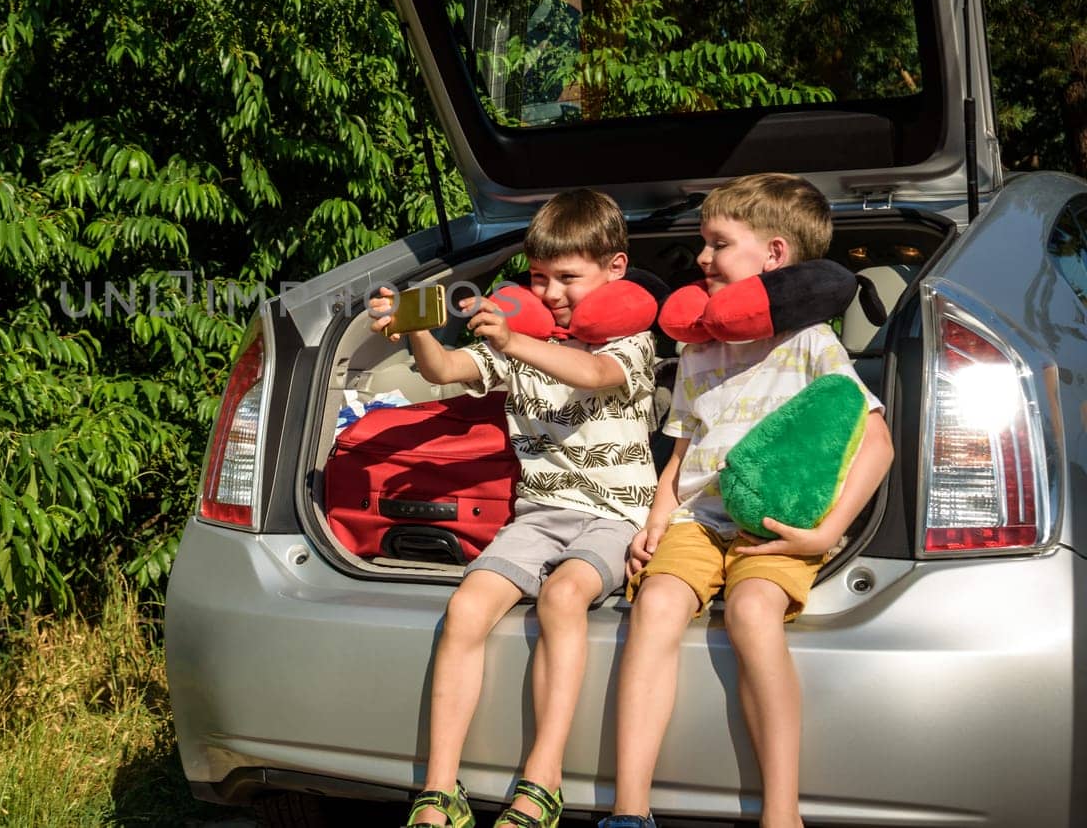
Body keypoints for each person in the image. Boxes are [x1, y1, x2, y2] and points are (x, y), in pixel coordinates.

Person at [597, 173, 894, 828]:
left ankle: (780, 812)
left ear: (775, 255)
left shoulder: (812, 344)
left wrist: (823, 535)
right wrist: (654, 522)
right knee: (655, 608)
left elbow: (876, 442)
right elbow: (679, 452)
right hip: (697, 521)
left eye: (718, 243)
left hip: (776, 525)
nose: (701, 258)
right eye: (703, 244)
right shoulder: (698, 349)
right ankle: (629, 807)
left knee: (754, 614)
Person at [370, 188, 658, 828]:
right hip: (538, 516)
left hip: (616, 517)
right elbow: (443, 367)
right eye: (538, 278)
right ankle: (440, 790)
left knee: (562, 598)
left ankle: (541, 780)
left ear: (615, 269)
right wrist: (415, 329)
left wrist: (512, 339)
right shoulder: (514, 343)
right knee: (467, 605)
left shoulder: (633, 342)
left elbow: (591, 376)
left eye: (568, 278)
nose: (552, 293)